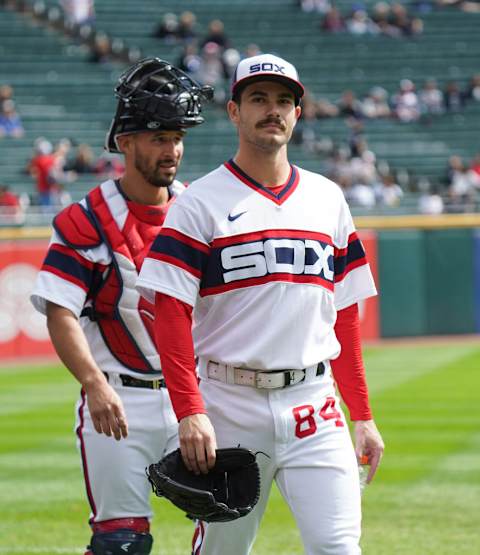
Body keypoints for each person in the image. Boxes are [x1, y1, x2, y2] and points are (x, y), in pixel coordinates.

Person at [137, 53, 385, 554]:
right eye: (258, 99)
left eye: (283, 101)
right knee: (224, 550)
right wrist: (189, 411)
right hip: (228, 404)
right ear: (234, 111)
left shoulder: (328, 198)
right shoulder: (199, 203)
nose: (272, 110)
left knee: (339, 547)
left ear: (297, 113)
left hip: (315, 404)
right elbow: (169, 314)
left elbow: (345, 315)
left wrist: (362, 414)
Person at [30, 57, 212, 555]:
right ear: (124, 142)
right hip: (119, 398)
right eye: (157, 136)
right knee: (122, 543)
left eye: (177, 136)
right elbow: (60, 310)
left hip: (192, 396)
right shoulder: (86, 219)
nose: (172, 149)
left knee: (225, 519)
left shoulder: (198, 208)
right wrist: (93, 384)